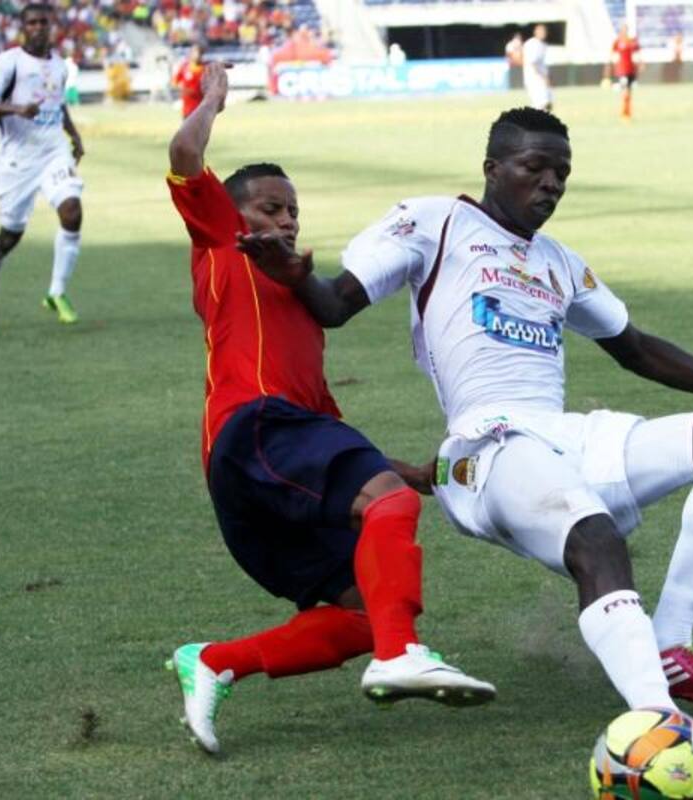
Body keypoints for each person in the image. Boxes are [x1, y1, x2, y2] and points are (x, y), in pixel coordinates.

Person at [238, 108, 693, 729]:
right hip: (486, 449)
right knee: (596, 537)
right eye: (535, 167)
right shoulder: (434, 221)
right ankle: (658, 722)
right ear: (492, 169)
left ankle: (670, 648)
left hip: (559, 435)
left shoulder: (558, 261)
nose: (550, 183)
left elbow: (635, 347)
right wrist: (295, 277)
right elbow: (336, 304)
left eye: (562, 172)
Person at [163, 63, 495, 756]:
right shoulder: (223, 244)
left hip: (257, 461)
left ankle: (217, 659)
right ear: (234, 213)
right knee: (385, 510)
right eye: (271, 208)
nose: (285, 219)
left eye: (293, 212)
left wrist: (413, 471)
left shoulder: (302, 310)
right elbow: (185, 156)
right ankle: (404, 655)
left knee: (362, 613)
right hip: (253, 429)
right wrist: (214, 99)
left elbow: (332, 435)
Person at [0, 2, 85, 326]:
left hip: (54, 152)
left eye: (45, 21)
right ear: (22, 27)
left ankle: (56, 292)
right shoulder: (9, 62)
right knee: (9, 235)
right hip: (18, 160)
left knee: (72, 211)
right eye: (33, 23)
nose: (40, 27)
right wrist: (16, 110)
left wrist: (74, 136)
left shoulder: (59, 64)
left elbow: (58, 106)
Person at [605, 23, 640, 120]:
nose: (624, 31)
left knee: (629, 92)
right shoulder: (617, 41)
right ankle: (624, 113)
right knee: (625, 92)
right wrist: (609, 67)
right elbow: (612, 55)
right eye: (623, 29)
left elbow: (637, 54)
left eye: (626, 29)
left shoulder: (631, 41)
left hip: (631, 70)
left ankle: (628, 112)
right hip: (622, 71)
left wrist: (639, 64)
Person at [522, 24, 551, 112]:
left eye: (544, 31)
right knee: (540, 103)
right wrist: (542, 77)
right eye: (541, 31)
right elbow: (532, 62)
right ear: (535, 32)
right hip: (534, 78)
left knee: (545, 103)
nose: (543, 33)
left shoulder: (542, 45)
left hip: (538, 78)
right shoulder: (533, 44)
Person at [172, 42, 204, 118]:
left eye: (199, 53)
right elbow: (174, 82)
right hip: (187, 108)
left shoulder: (205, 69)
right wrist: (182, 89)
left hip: (200, 107)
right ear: (191, 54)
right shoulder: (184, 67)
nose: (197, 55)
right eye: (195, 52)